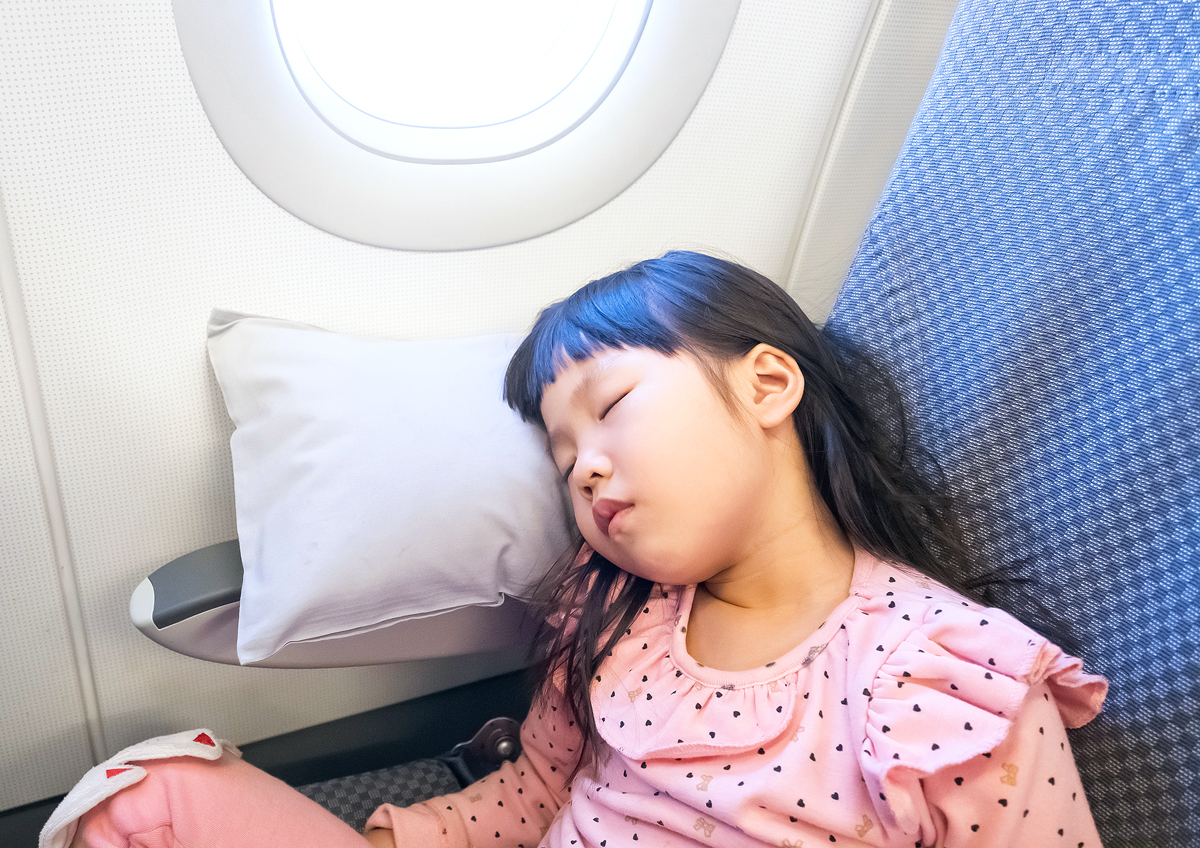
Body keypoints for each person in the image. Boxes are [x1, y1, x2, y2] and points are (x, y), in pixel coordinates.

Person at [53, 251, 1107, 848]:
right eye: (563, 458)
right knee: (147, 796)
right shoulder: (619, 625)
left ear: (767, 385)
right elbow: (537, 792)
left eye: (612, 409)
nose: (586, 469)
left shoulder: (946, 679)